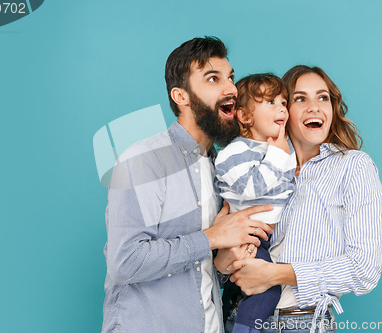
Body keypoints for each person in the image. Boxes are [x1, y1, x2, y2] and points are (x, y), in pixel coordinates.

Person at [101, 36, 274, 333]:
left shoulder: (221, 169)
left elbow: (200, 272)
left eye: (230, 77)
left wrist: (223, 262)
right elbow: (125, 262)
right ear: (181, 96)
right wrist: (211, 238)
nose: (231, 88)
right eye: (213, 78)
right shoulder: (143, 161)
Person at [223, 65, 382, 333]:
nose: (315, 107)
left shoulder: (353, 167)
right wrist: (227, 257)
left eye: (323, 97)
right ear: (283, 111)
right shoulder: (255, 165)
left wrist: (274, 275)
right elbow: (220, 264)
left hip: (300, 324)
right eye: (300, 98)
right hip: (235, 318)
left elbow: (364, 270)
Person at [214, 74, 296, 333]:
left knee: (252, 289)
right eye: (270, 102)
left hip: (268, 238)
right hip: (247, 238)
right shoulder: (234, 152)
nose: (281, 108)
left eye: (283, 103)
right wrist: (278, 155)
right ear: (245, 117)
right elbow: (252, 188)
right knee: (267, 293)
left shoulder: (280, 148)